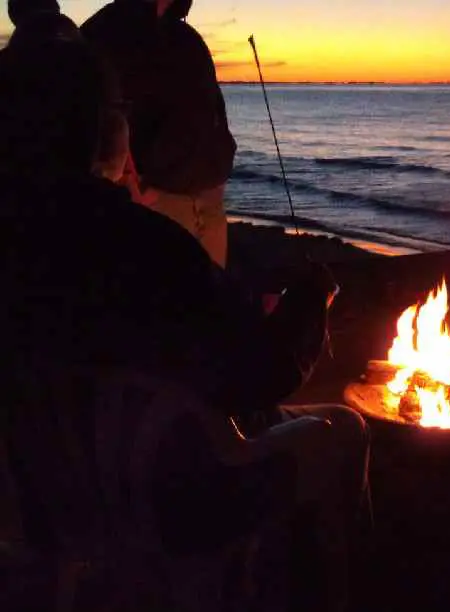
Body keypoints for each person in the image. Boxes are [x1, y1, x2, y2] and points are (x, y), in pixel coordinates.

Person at [0, 38, 366, 611]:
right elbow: (261, 374)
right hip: (174, 502)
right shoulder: (143, 246)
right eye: (122, 112)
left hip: (42, 503)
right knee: (342, 428)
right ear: (99, 128)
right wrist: (312, 299)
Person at [81, 0, 236, 267]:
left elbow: (213, 110)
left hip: (209, 203)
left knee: (208, 303)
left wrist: (221, 165)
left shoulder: (187, 38)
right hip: (157, 204)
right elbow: (91, 117)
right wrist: (126, 186)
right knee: (167, 302)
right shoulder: (104, 32)